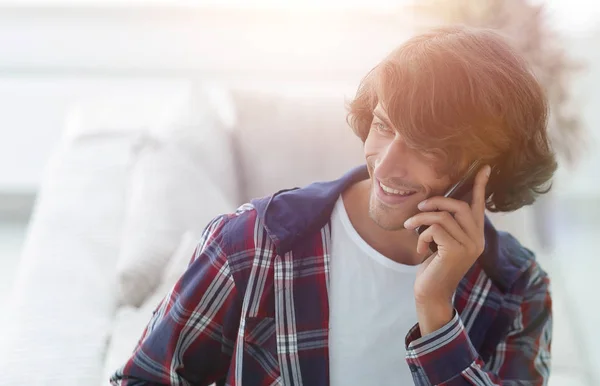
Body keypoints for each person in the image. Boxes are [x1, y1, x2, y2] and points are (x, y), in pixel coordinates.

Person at [111, 25, 556, 386]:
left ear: (486, 166)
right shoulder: (251, 243)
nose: (386, 164)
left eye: (426, 147)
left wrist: (437, 314)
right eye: (383, 126)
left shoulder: (518, 291)